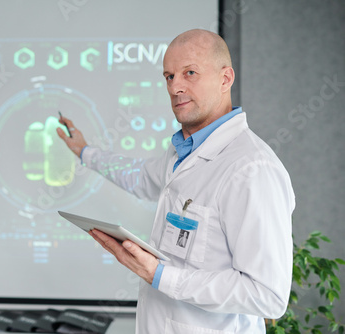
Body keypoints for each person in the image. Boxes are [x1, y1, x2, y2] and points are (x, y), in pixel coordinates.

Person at [56, 29, 295, 334]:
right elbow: (139, 176)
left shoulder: (252, 169)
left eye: (189, 73)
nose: (175, 87)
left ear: (225, 79)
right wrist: (85, 151)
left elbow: (268, 296)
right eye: (169, 76)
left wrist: (158, 274)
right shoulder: (183, 151)